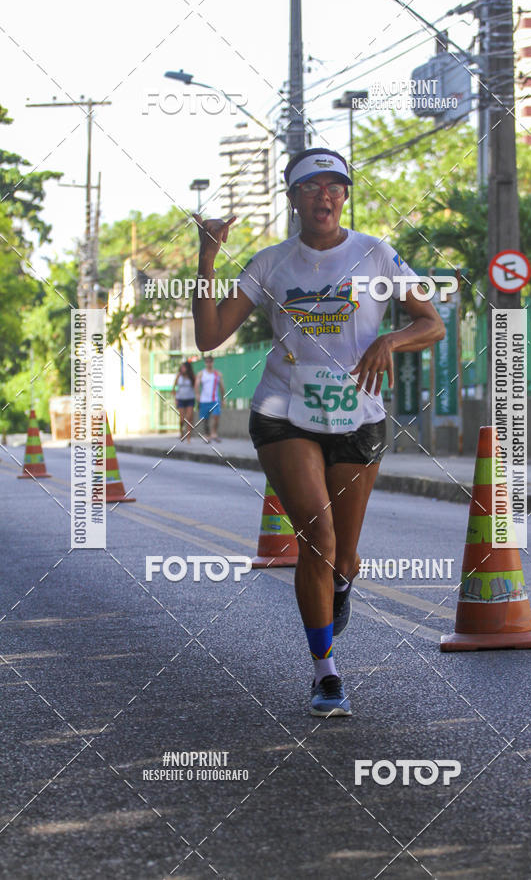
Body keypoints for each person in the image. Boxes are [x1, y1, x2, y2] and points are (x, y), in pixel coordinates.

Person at [192, 147, 445, 717]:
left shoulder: (376, 254)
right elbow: (209, 337)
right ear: (293, 199)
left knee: (343, 556)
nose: (323, 196)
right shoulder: (270, 263)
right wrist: (207, 261)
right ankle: (325, 673)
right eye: (310, 187)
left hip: (358, 414)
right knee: (317, 538)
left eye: (333, 186)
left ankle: (341, 583)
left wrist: (389, 341)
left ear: (345, 196)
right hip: (284, 410)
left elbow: (432, 323)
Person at [195, 354, 225, 443]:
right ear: (205, 363)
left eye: (210, 362)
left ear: (213, 362)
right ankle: (207, 435)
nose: (209, 363)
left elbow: (222, 387)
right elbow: (197, 385)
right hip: (204, 400)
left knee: (216, 416)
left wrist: (223, 398)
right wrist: (197, 395)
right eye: (207, 362)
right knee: (205, 419)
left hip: (214, 400)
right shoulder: (201, 374)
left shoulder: (217, 374)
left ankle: (214, 433)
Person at [172, 361, 196, 443]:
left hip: (190, 399)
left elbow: (196, 387)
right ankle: (181, 431)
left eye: (184, 367)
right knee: (182, 418)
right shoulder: (178, 376)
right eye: (181, 367)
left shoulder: (192, 377)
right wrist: (175, 398)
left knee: (189, 417)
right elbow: (174, 388)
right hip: (181, 399)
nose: (182, 369)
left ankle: (188, 436)